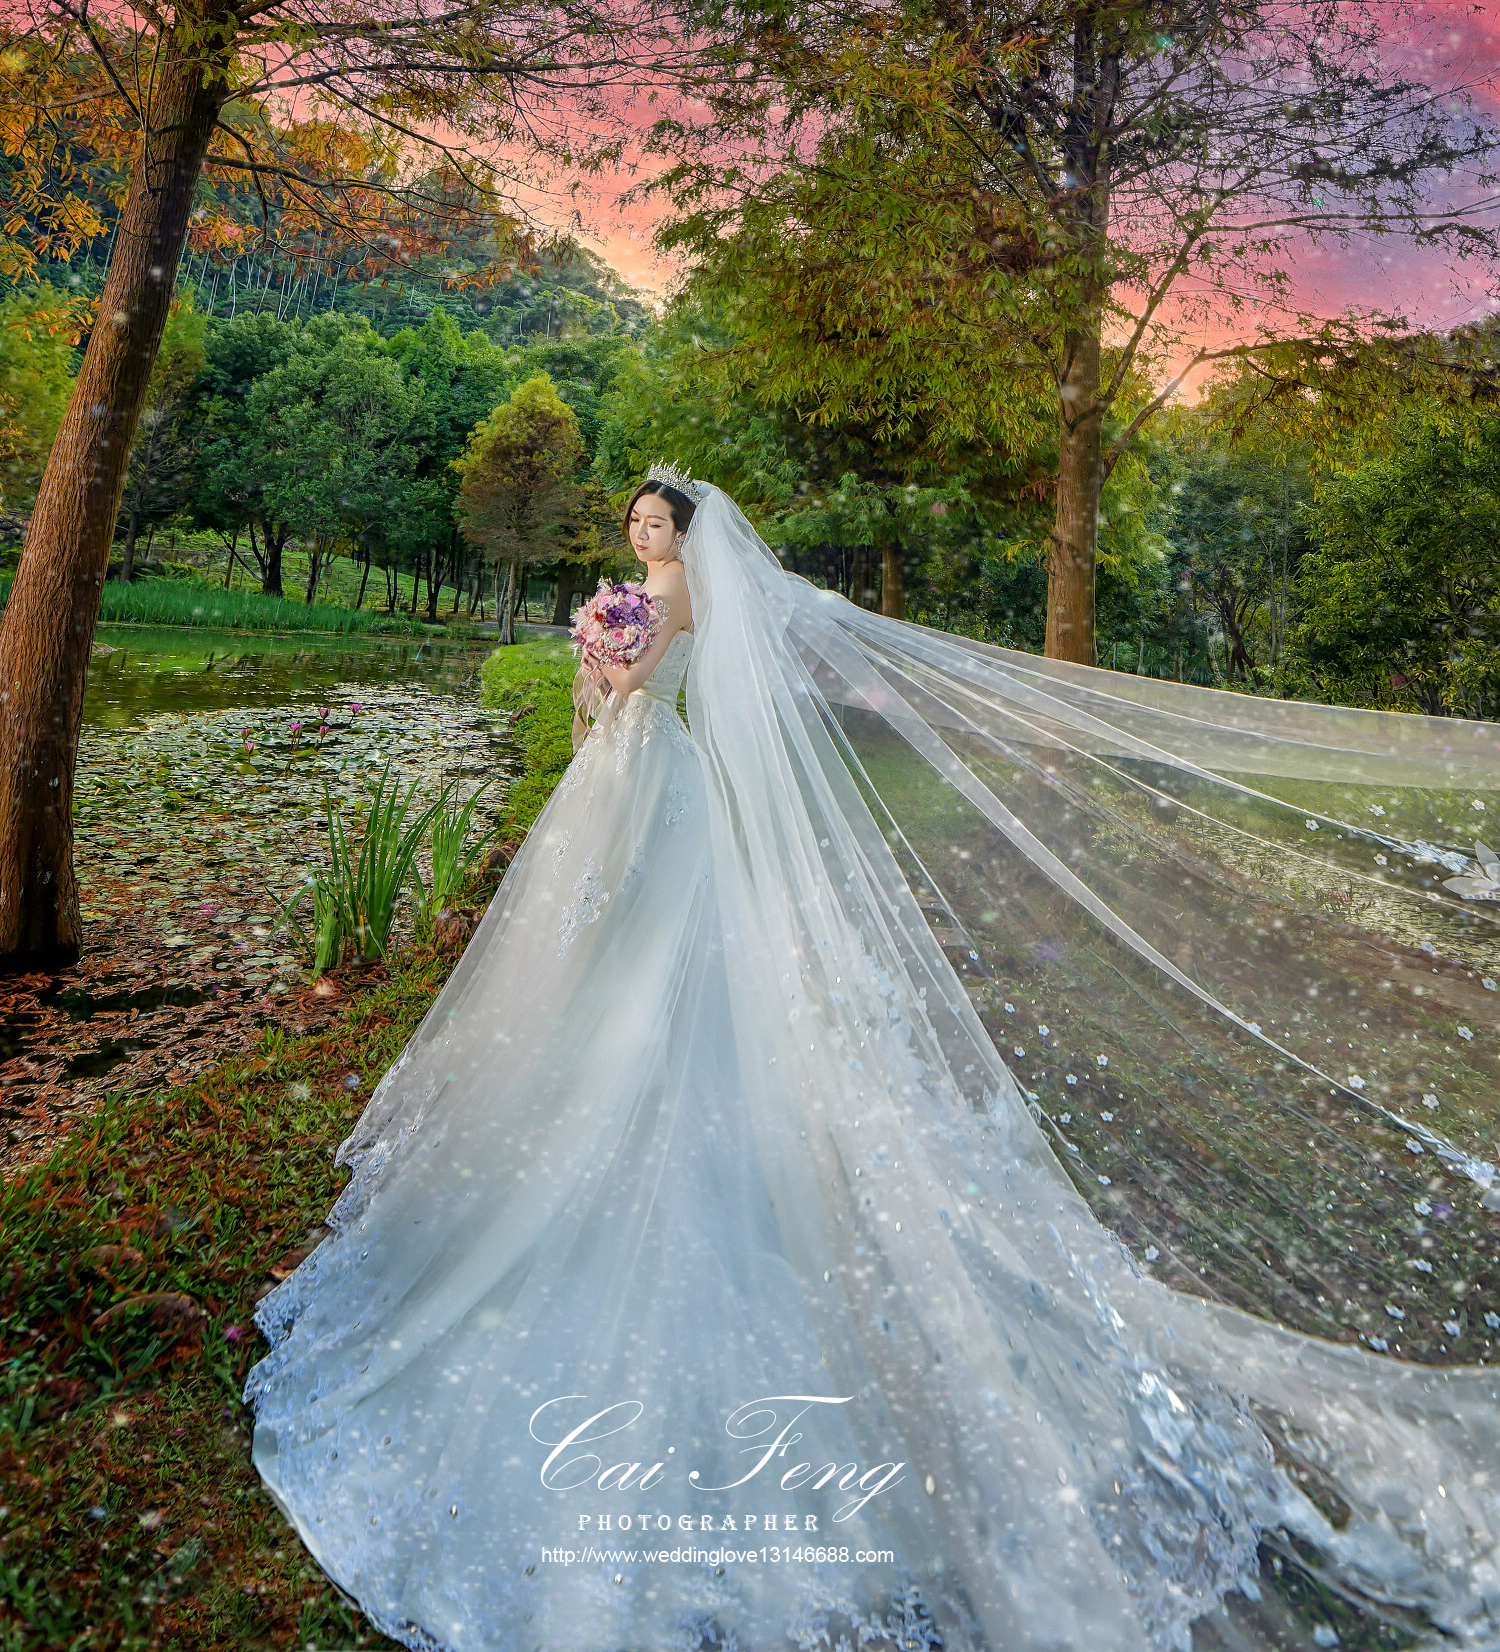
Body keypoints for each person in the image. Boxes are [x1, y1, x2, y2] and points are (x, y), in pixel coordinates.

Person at [245, 470, 1500, 1652]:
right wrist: (598, 663)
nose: (642, 540)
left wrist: (606, 658)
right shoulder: (663, 594)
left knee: (646, 962)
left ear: (688, 538)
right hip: (633, 779)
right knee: (624, 954)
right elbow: (623, 699)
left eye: (656, 526)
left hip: (646, 773)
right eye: (632, 526)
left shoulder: (671, 602)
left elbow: (637, 694)